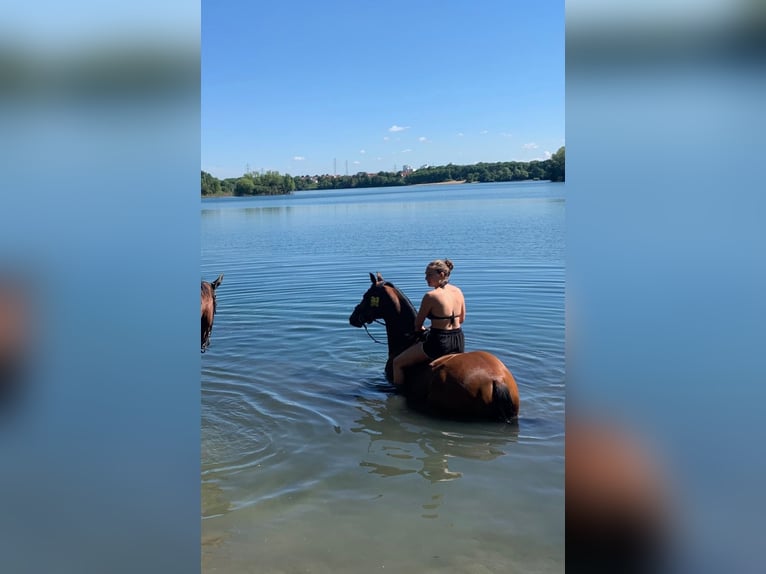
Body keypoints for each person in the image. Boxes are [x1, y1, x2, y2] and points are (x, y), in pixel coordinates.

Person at [392, 259, 465, 386]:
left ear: (441, 275)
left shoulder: (431, 296)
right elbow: (461, 319)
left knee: (397, 363)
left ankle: (397, 396)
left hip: (439, 343)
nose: (426, 278)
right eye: (426, 275)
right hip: (458, 340)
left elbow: (417, 325)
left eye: (429, 275)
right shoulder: (458, 291)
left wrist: (424, 329)